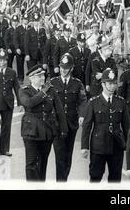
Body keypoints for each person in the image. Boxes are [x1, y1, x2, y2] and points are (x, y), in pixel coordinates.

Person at [19, 64, 68, 181]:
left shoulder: (51, 90)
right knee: (31, 164)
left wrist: (63, 129)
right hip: (30, 131)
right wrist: (43, 92)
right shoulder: (24, 91)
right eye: (38, 76)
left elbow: (59, 110)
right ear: (31, 78)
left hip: (47, 132)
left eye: (43, 76)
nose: (42, 78)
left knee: (43, 162)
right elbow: (29, 103)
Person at [81, 68, 130, 182]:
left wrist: (129, 146)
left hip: (117, 145)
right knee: (95, 177)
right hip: (99, 146)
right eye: (109, 83)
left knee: (115, 178)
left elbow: (127, 126)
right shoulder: (93, 102)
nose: (112, 86)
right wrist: (84, 147)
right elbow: (87, 126)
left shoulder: (121, 102)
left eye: (114, 84)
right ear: (103, 84)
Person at [51, 53, 87, 181]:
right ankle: (61, 182)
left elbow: (83, 100)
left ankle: (63, 179)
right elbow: (44, 99)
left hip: (71, 124)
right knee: (60, 155)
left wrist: (82, 115)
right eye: (61, 67)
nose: (63, 70)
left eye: (66, 68)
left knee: (68, 154)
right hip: (57, 125)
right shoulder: (52, 82)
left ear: (71, 68)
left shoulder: (77, 83)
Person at [13, 12, 30, 82]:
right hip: (20, 50)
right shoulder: (18, 28)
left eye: (27, 19)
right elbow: (15, 39)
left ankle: (31, 80)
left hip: (28, 50)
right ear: (22, 20)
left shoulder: (30, 28)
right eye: (24, 19)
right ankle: (20, 78)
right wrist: (17, 48)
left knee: (30, 66)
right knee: (20, 65)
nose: (26, 21)